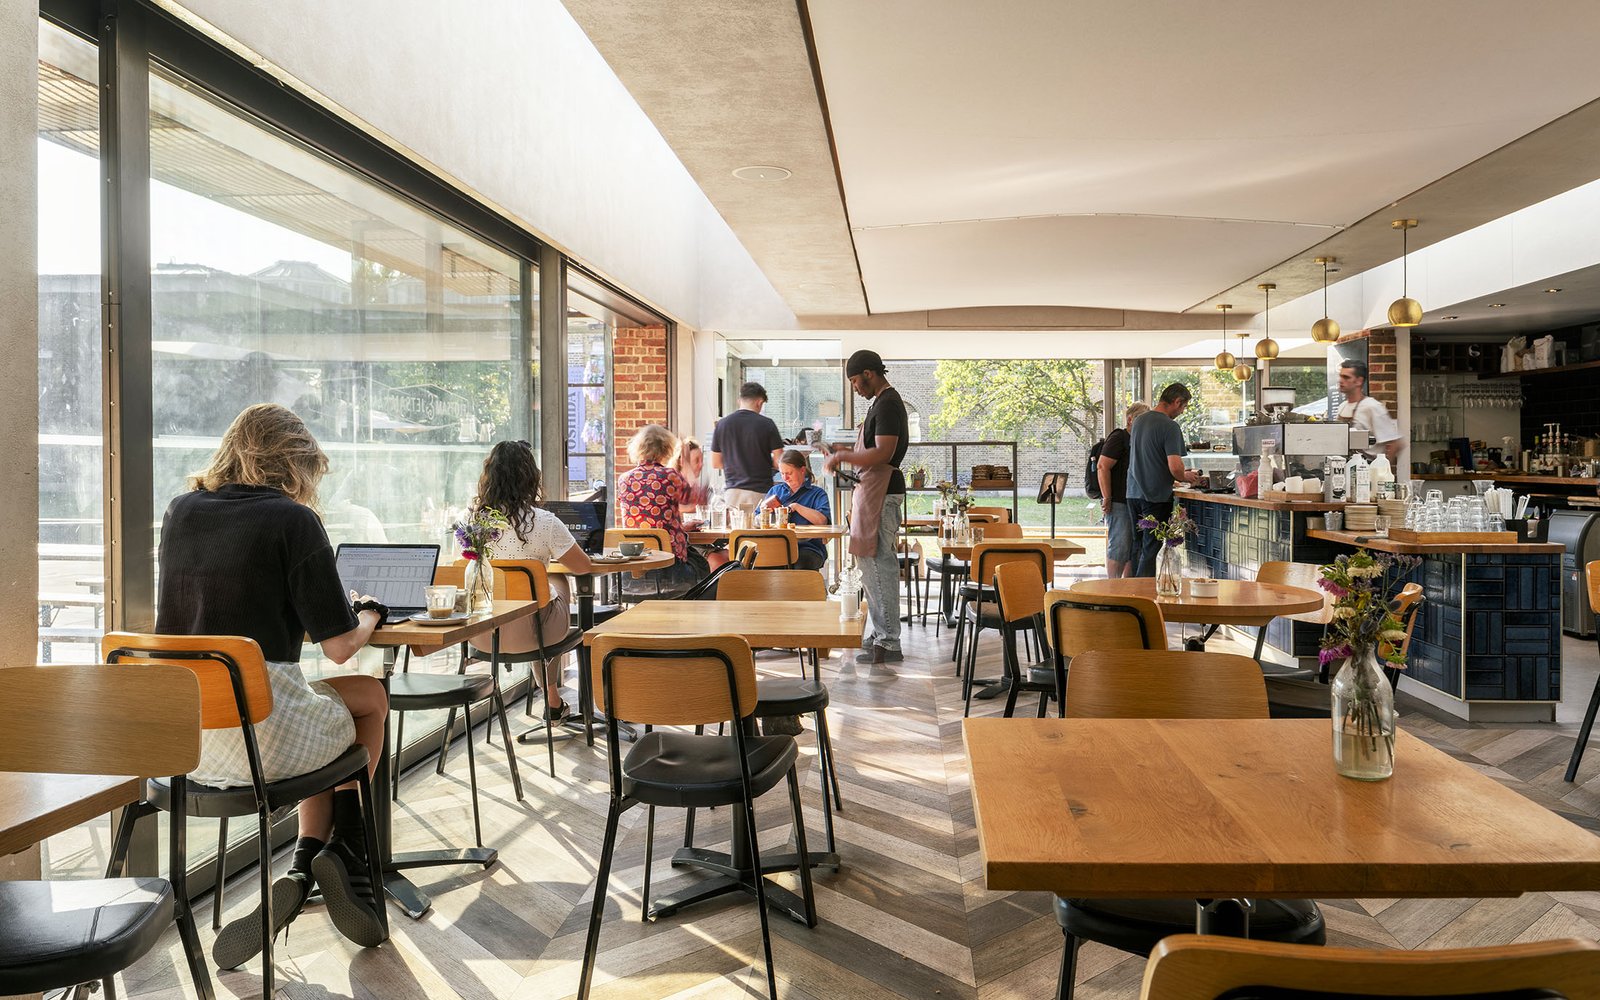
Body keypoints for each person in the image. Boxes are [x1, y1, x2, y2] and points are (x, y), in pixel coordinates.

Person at [155, 403, 389, 966]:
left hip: (186, 743)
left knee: (314, 713)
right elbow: (337, 647)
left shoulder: (180, 511)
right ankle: (345, 845)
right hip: (269, 739)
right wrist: (369, 617)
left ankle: (305, 861)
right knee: (369, 700)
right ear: (296, 466)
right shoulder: (293, 520)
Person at [466, 439, 592, 725]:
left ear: (489, 477)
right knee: (552, 581)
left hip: (483, 634)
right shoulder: (544, 521)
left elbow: (464, 567)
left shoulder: (472, 521)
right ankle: (550, 693)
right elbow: (583, 566)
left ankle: (552, 699)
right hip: (536, 635)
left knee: (535, 597)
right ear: (530, 478)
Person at [824, 350, 908, 676]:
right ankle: (881, 634)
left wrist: (843, 456)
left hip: (883, 492)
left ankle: (888, 641)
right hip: (874, 490)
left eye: (856, 381)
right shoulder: (878, 404)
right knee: (869, 564)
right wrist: (841, 454)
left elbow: (884, 451)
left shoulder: (888, 402)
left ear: (870, 373)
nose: (856, 388)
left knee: (877, 564)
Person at [617, 423, 710, 596]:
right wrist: (686, 462)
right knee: (704, 568)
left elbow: (649, 521)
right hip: (670, 567)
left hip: (635, 569)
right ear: (666, 448)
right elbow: (696, 499)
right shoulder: (669, 476)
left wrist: (679, 528)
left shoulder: (623, 479)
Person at [1126, 383, 1203, 577]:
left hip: (1133, 493)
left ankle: (1129, 595)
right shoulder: (1170, 426)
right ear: (1177, 401)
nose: (1182, 411)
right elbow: (1176, 467)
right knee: (1151, 549)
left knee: (1137, 547)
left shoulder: (1138, 421)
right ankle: (1144, 598)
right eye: (1183, 407)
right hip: (1155, 496)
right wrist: (1186, 477)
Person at [710, 381, 784, 510]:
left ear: (740, 400)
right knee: (760, 528)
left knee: (736, 529)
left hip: (732, 492)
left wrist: (735, 463)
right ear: (759, 402)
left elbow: (716, 462)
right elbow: (780, 462)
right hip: (760, 491)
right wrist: (763, 461)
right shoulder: (767, 424)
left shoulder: (722, 424)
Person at [1098, 400, 1150, 578]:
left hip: (1135, 501)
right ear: (1130, 420)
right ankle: (1113, 588)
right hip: (1119, 501)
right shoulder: (1119, 437)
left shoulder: (1139, 440)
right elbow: (1102, 466)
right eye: (1142, 420)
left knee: (1132, 550)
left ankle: (1126, 591)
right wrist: (1107, 497)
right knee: (1119, 547)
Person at [761, 448, 833, 570]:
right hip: (776, 546)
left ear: (802, 470)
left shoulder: (817, 493)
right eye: (782, 473)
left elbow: (822, 521)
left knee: (801, 563)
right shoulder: (775, 491)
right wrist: (764, 513)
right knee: (760, 563)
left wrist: (796, 507)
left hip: (808, 547)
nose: (785, 478)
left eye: (789, 473)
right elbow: (756, 520)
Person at [1337, 360, 1402, 462]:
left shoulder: (1372, 407)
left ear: (1359, 381)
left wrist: (1381, 468)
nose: (1341, 380)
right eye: (1340, 376)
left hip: (1367, 469)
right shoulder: (1342, 407)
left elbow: (1396, 443)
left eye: (1346, 377)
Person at [673, 435, 706, 522]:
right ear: (682, 462)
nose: (701, 464)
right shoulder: (673, 482)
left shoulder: (694, 485)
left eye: (702, 460)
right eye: (697, 460)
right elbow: (670, 507)